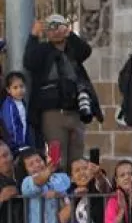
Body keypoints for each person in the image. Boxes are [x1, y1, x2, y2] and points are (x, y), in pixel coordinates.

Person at [24, 14, 101, 166]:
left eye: (58, 26)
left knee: (77, 158)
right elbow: (29, 61)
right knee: (57, 159)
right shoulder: (43, 50)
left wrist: (69, 34)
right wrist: (34, 36)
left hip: (76, 111)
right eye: (51, 28)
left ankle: (77, 187)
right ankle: (60, 187)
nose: (55, 31)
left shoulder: (73, 50)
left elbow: (85, 51)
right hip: (53, 114)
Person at [1, 71, 34, 155]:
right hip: (14, 146)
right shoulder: (9, 105)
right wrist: (18, 145)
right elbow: (11, 127)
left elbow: (25, 125)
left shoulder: (22, 103)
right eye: (15, 88)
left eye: (21, 86)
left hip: (23, 145)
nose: (19, 90)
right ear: (8, 90)